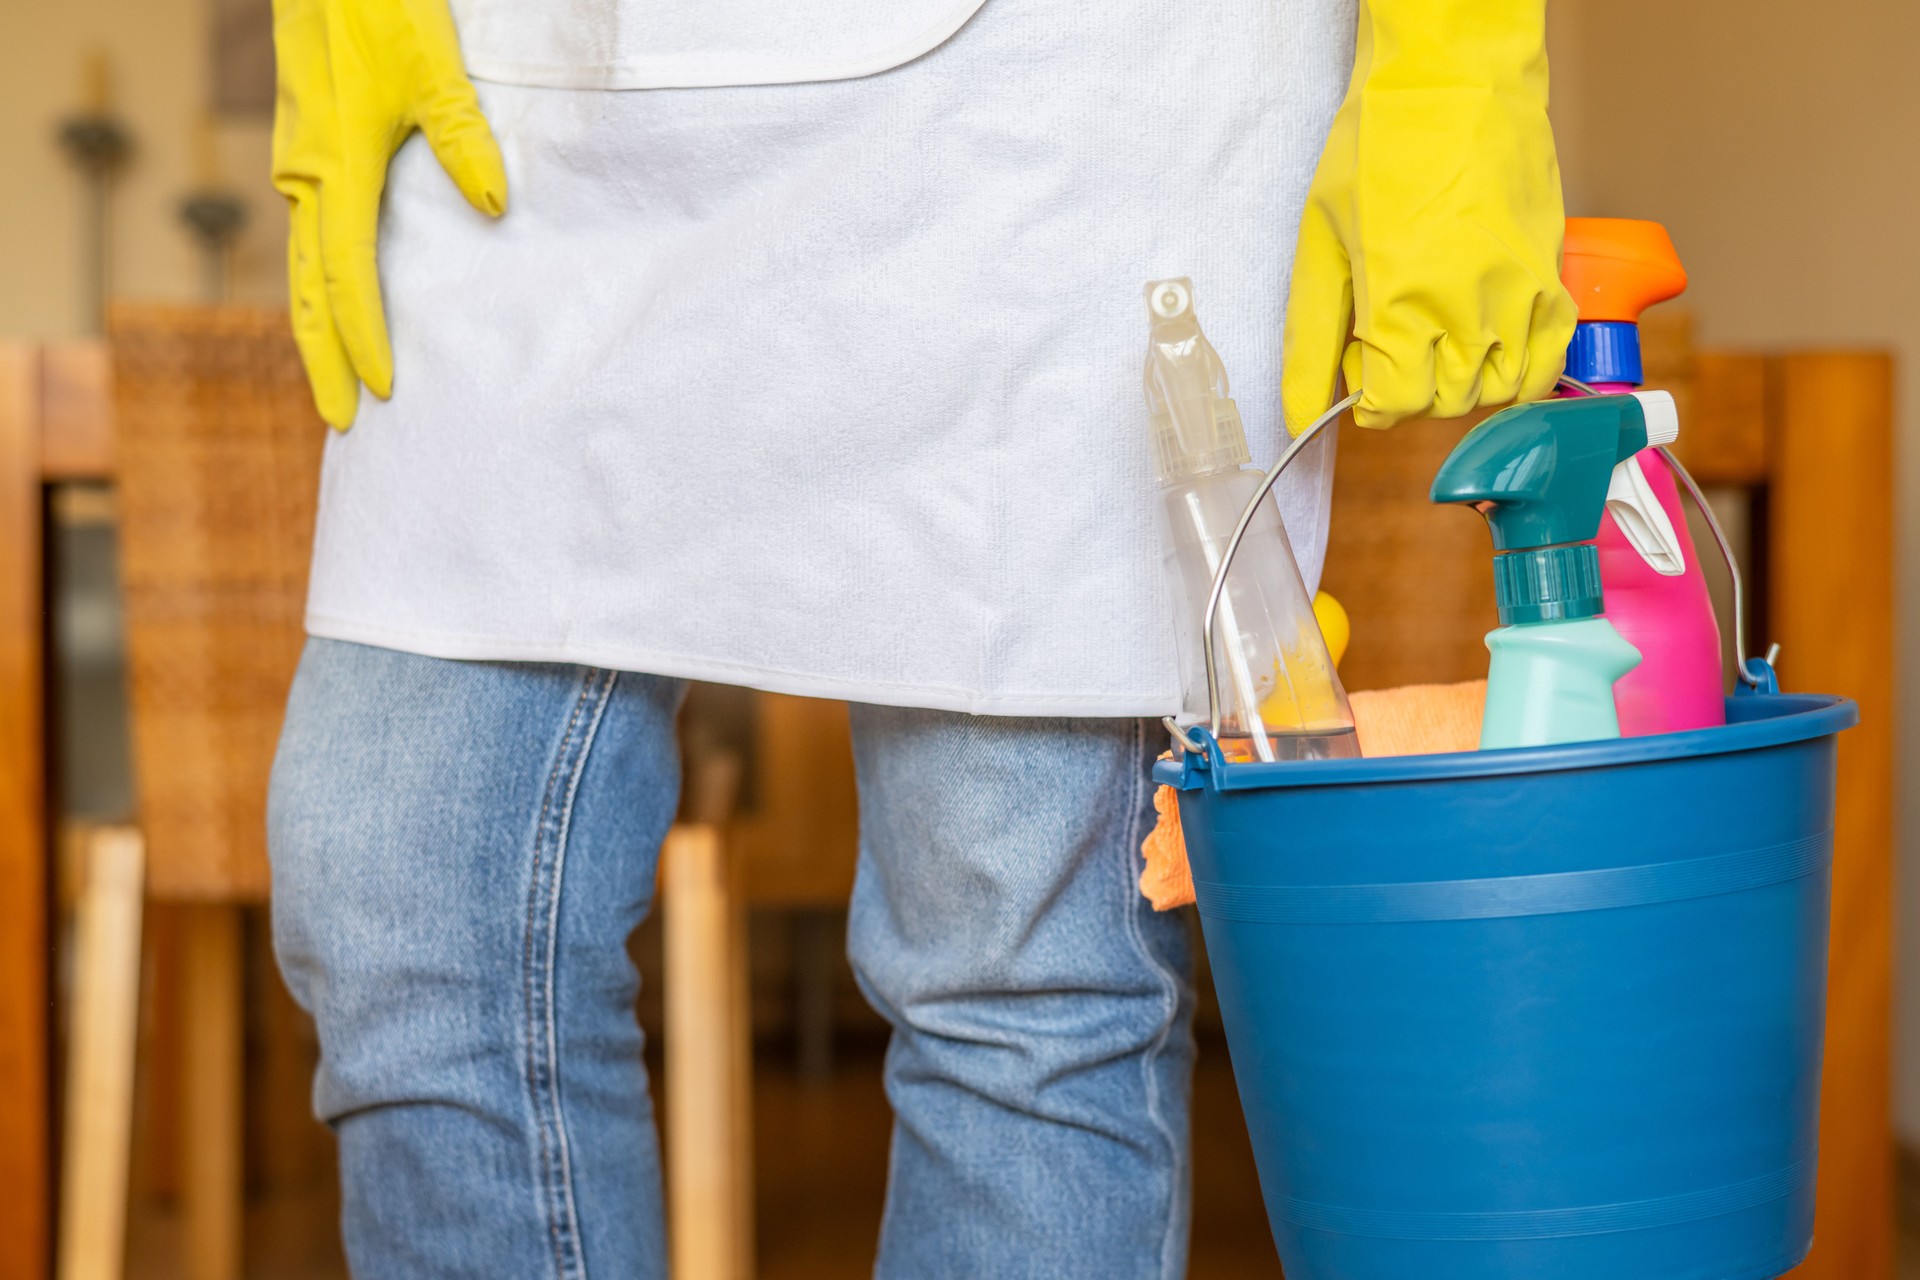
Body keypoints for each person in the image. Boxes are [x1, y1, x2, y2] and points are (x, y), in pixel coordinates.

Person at [265, 0, 1576, 1273]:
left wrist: (1454, 45)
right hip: (531, 85)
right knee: (404, 908)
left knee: (1012, 968)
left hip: (1068, 87)